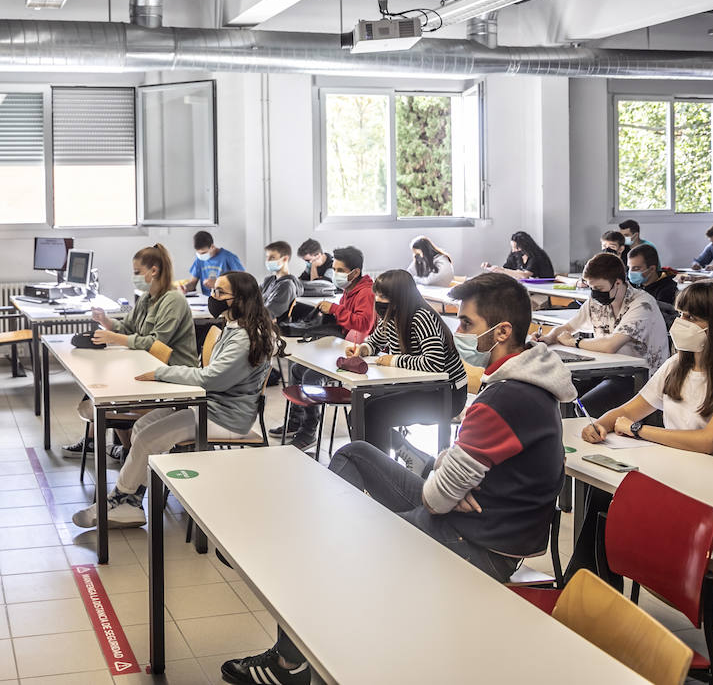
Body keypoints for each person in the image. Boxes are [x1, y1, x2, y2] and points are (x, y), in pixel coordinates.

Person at [222, 274, 575, 685]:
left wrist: (446, 482)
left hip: (477, 543)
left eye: (466, 325)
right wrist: (449, 477)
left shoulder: (508, 396)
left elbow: (436, 499)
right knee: (354, 453)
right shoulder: (525, 381)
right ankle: (347, 537)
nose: (457, 333)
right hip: (470, 522)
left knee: (325, 552)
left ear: (502, 332)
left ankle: (290, 663)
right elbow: (452, 464)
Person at [565, 281, 713, 587]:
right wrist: (601, 424)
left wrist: (638, 430)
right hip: (681, 469)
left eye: (692, 318)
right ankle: (590, 584)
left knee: (620, 494)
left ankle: (589, 585)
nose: (681, 324)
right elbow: (629, 410)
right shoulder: (678, 364)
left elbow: (709, 442)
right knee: (602, 488)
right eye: (680, 315)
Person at [72, 272, 275, 529]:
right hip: (209, 405)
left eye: (220, 293)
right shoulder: (233, 326)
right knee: (141, 428)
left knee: (148, 438)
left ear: (241, 300)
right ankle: (132, 503)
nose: (213, 296)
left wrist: (160, 373)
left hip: (227, 417)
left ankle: (119, 499)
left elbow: (211, 378)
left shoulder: (245, 337)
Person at [65, 245, 200, 457]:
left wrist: (115, 338)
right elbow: (128, 328)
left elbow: (157, 343)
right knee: (105, 384)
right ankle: (124, 448)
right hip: (147, 363)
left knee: (112, 389)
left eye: (137, 272)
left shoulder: (173, 300)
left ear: (153, 271)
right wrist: (106, 322)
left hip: (172, 371)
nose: (134, 276)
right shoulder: (147, 298)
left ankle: (121, 447)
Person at [346, 269, 468, 452]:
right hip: (419, 388)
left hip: (445, 395)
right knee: (358, 412)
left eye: (383, 296)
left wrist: (393, 360)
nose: (378, 300)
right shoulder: (391, 315)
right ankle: (410, 457)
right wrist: (363, 349)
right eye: (377, 295)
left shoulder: (421, 317)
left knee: (375, 412)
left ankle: (383, 469)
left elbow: (434, 364)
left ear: (400, 297)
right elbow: (376, 340)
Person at [536, 252, 668, 414]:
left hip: (639, 379)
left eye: (598, 288)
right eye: (591, 288)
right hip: (608, 371)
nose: (594, 293)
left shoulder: (642, 304)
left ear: (618, 283)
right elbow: (569, 327)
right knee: (555, 393)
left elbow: (610, 346)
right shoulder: (598, 301)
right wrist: (549, 338)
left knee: (584, 407)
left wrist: (574, 342)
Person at [275, 246, 374, 449]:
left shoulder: (366, 293)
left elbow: (364, 324)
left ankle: (309, 430)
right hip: (343, 345)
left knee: (312, 376)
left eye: (339, 270)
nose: (335, 274)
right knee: (297, 368)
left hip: (357, 353)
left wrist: (335, 309)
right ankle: (296, 420)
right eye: (335, 269)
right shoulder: (349, 290)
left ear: (354, 272)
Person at [178, 230, 244, 294]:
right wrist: (185, 287)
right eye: (198, 253)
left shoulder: (228, 257)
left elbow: (243, 281)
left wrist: (218, 283)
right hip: (207, 301)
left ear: (212, 247)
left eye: (204, 253)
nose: (201, 256)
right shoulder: (199, 260)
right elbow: (193, 283)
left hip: (226, 300)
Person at [626, 242, 677, 310]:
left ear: (652, 269)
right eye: (629, 267)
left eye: (636, 268)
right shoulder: (632, 285)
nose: (630, 272)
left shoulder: (667, 291)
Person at [484, 231, 555, 279]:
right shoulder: (515, 255)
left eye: (516, 248)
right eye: (512, 247)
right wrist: (491, 267)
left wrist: (501, 270)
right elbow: (506, 269)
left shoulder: (537, 255)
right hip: (527, 288)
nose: (513, 250)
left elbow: (525, 275)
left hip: (542, 289)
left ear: (525, 246)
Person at [260, 240, 302, 318]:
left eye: (272, 257)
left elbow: (268, 314)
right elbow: (252, 297)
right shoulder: (269, 281)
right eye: (267, 257)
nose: (267, 261)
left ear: (285, 259)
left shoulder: (286, 285)